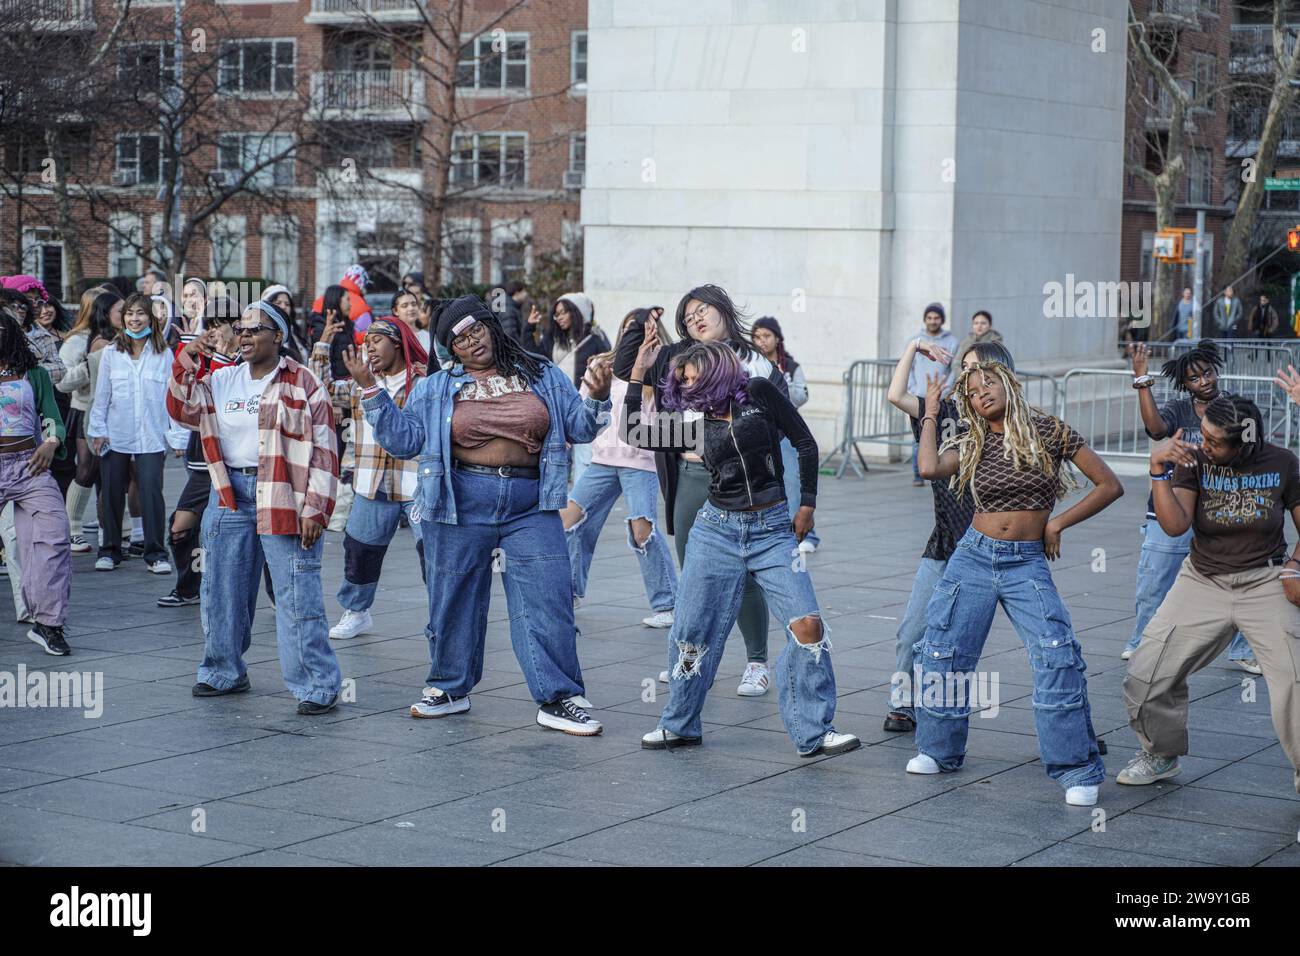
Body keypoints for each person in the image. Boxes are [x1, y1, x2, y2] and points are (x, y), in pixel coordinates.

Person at [363, 295, 612, 735]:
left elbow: (579, 427)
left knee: (549, 598)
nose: (471, 341)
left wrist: (598, 395)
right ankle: (450, 688)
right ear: (449, 350)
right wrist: (371, 392)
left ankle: (558, 698)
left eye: (475, 328)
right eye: (458, 339)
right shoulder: (436, 387)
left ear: (490, 326)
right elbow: (405, 441)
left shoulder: (540, 372)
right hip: (459, 499)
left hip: (530, 501)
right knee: (453, 597)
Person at [623, 340, 858, 757]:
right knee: (691, 634)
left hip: (772, 530)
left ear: (716, 371)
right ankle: (679, 724)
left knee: (808, 626)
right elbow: (634, 431)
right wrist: (639, 372)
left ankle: (815, 731)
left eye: (696, 378)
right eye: (685, 382)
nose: (691, 388)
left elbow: (805, 442)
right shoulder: (695, 421)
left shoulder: (759, 393)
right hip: (716, 531)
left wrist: (807, 503)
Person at [909, 351, 1124, 806]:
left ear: (1008, 382)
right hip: (973, 555)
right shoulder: (972, 439)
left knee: (1056, 654)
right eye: (970, 391)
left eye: (987, 383)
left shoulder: (1049, 430)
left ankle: (1075, 768)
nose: (979, 393)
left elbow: (1109, 485)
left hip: (1025, 560)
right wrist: (931, 412)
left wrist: (1057, 524)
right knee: (943, 651)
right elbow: (928, 468)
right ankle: (938, 748)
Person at [166, 301, 343, 715]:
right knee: (221, 591)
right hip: (229, 493)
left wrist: (316, 509)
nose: (244, 336)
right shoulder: (222, 379)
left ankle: (316, 685)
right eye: (241, 330)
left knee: (296, 594)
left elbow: (326, 448)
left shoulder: (304, 382)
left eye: (255, 329)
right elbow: (180, 408)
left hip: (285, 493)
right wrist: (186, 359)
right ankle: (223, 671)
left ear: (278, 337)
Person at [1120, 390, 1300, 795]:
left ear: (1245, 444)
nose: (1204, 443)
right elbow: (1174, 526)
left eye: (1215, 441)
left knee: (1294, 685)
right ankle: (1162, 752)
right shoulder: (1194, 459)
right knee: (1145, 674)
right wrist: (1158, 470)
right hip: (1201, 580)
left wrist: (1295, 567)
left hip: (1264, 581)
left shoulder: (1282, 462)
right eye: (1203, 434)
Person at [613, 284, 786, 696]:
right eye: (688, 318)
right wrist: (640, 325)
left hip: (739, 481)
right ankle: (688, 657)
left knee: (743, 573)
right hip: (691, 476)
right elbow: (624, 369)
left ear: (724, 309)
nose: (697, 320)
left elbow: (781, 424)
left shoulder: (755, 363)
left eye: (703, 310)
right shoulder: (678, 358)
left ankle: (756, 662)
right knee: (693, 575)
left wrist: (731, 441)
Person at [1125, 341, 1258, 670]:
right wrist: (1142, 379)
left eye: (1208, 373)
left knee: (1242, 581)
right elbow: (1156, 429)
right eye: (1195, 378)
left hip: (1221, 509)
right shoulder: (1178, 410)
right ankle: (1143, 642)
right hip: (1171, 507)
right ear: (1185, 384)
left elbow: (1253, 452)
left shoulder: (1235, 408)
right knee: (1155, 582)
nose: (1205, 381)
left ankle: (1242, 650)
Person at [880, 338, 985, 733]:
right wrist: (912, 346)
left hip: (995, 546)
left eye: (982, 369)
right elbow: (895, 394)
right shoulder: (943, 411)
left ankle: (1075, 718)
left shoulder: (1005, 422)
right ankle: (903, 704)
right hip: (944, 541)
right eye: (968, 367)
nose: (972, 375)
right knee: (912, 632)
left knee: (1042, 639)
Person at [312, 314, 429, 640]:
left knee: (432, 555)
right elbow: (320, 389)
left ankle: (443, 612)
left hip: (416, 486)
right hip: (371, 483)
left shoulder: (423, 383)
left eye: (376, 340)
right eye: (366, 343)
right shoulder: (358, 385)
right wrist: (323, 343)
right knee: (359, 552)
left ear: (397, 342)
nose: (369, 348)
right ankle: (357, 612)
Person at [563, 308, 677, 629]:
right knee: (570, 520)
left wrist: (653, 364)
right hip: (602, 459)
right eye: (629, 328)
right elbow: (581, 405)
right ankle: (569, 592)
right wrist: (566, 438)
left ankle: (668, 603)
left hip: (639, 460)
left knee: (642, 530)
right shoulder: (601, 363)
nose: (634, 334)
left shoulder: (663, 366)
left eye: (642, 329)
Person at [87, 293, 187, 573]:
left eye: (140, 313)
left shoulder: (163, 353)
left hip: (151, 434)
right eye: (130, 313)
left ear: (150, 318)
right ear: (124, 318)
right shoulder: (111, 353)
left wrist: (177, 435)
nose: (134, 318)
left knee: (151, 491)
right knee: (111, 490)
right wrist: (98, 429)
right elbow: (102, 395)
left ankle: (155, 553)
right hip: (115, 433)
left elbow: (172, 397)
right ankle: (109, 550)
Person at [0, 305, 72, 656]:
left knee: (53, 539)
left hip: (31, 466)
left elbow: (53, 418)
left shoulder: (34, 374)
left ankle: (49, 624)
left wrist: (50, 442)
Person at [157, 311, 239, 608]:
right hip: (203, 463)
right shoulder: (204, 354)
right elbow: (184, 397)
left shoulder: (246, 362)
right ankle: (190, 587)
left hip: (237, 464)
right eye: (212, 326)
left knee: (252, 533)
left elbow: (221, 397)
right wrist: (188, 347)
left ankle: (273, 592)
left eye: (222, 327)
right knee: (181, 527)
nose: (216, 332)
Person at [58, 289, 121, 554]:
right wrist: (90, 366)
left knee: (113, 472)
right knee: (87, 469)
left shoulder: (122, 338)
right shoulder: (78, 341)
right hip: (85, 408)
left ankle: (119, 530)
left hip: (115, 412)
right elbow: (62, 381)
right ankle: (71, 529)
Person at [752, 315, 820, 556]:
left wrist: (779, 384)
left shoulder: (790, 366)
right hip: (761, 435)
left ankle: (807, 533)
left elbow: (801, 396)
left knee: (794, 483)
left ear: (777, 339)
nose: (761, 341)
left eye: (766, 336)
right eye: (757, 336)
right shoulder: (751, 364)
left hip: (786, 434)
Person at [906, 302, 958, 487]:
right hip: (919, 395)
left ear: (941, 320)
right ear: (925, 320)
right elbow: (909, 368)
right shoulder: (916, 340)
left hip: (942, 397)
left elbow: (954, 368)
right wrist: (911, 388)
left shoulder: (952, 341)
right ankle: (917, 473)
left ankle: (942, 469)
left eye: (936, 318)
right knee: (918, 436)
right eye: (929, 318)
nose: (933, 321)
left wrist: (947, 389)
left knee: (941, 434)